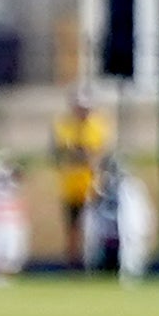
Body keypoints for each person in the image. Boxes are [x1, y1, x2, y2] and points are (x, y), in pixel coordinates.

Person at [51, 83, 116, 271]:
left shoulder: (97, 125)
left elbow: (97, 153)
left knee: (96, 227)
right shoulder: (64, 124)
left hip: (93, 184)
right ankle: (73, 264)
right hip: (71, 184)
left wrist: (81, 153)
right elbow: (63, 152)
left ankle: (97, 262)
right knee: (73, 227)